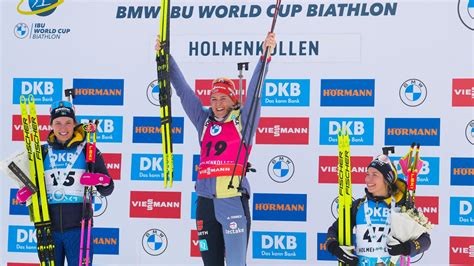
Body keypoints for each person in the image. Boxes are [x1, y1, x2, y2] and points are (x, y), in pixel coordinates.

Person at [155, 32, 276, 266]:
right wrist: (165, 57)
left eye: (223, 99)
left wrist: (265, 57)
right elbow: (183, 91)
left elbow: (256, 92)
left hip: (232, 201)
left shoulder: (244, 122)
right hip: (204, 205)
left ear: (233, 101)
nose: (218, 104)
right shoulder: (204, 121)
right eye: (214, 99)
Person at [325, 154, 431, 266]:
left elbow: (425, 240)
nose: (368, 179)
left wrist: (405, 248)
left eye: (374, 174)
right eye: (367, 174)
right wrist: (336, 250)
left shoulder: (402, 207)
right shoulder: (358, 206)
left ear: (387, 179)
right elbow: (334, 230)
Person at [43, 100, 114, 265]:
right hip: (48, 229)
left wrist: (101, 180)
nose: (63, 128)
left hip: (79, 229)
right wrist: (26, 190)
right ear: (51, 125)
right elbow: (34, 184)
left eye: (68, 122)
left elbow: (108, 188)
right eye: (58, 123)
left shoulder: (88, 150)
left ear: (75, 123)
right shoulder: (43, 152)